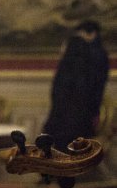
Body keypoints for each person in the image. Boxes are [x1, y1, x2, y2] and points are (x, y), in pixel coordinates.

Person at [43, 20, 109, 149]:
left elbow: (58, 88)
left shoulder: (73, 50)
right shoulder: (98, 54)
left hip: (62, 115)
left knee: (59, 154)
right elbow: (97, 89)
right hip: (83, 116)